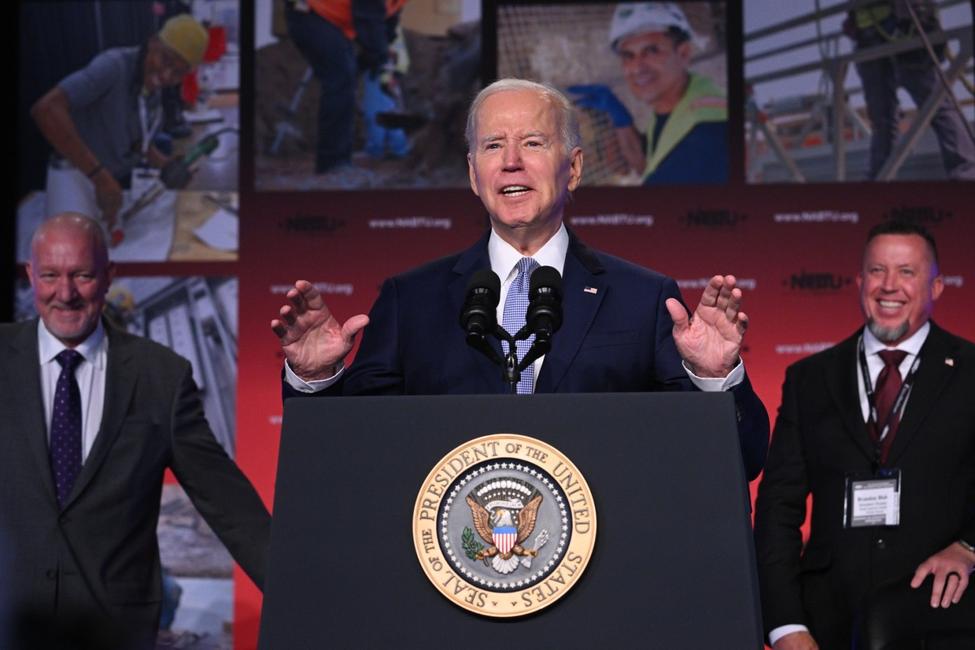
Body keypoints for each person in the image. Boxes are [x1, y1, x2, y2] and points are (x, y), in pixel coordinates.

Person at [271, 78, 768, 480]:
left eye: (533, 142)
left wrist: (715, 381)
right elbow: (348, 459)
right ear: (473, 174)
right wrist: (315, 382)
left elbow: (738, 463)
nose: (511, 160)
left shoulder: (643, 298)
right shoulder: (410, 300)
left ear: (572, 168)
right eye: (493, 145)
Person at [0, 214, 271, 650]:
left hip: (114, 630)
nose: (65, 294)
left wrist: (303, 594)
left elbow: (228, 504)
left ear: (110, 276)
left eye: (82, 275)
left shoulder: (160, 377)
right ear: (31, 275)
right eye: (50, 275)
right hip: (10, 623)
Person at [754, 221, 975, 649]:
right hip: (827, 626)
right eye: (877, 271)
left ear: (938, 287)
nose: (889, 286)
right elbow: (778, 509)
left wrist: (969, 547)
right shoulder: (810, 378)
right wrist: (784, 625)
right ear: (859, 281)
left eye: (907, 272)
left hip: (943, 617)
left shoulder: (971, 372)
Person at [31, 14, 209, 228]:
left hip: (112, 188)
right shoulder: (113, 66)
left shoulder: (151, 87)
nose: (166, 75)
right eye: (166, 60)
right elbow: (46, 110)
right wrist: (100, 177)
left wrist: (165, 164)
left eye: (178, 73)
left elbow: (136, 141)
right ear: (153, 41)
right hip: (75, 184)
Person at [568, 2, 728, 185]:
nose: (637, 67)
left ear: (684, 54)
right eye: (628, 55)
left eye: (652, 51)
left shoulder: (707, 132)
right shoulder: (678, 104)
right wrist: (621, 118)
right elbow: (645, 164)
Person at [846, 1, 975, 180]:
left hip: (904, 21)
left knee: (935, 103)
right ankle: (880, 180)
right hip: (868, 32)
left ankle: (966, 174)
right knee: (882, 116)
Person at [284, 0, 407, 174]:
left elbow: (389, 18)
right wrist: (377, 52)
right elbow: (367, 14)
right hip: (310, 13)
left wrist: (380, 50)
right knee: (340, 78)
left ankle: (339, 160)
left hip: (333, 21)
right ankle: (333, 163)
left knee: (345, 78)